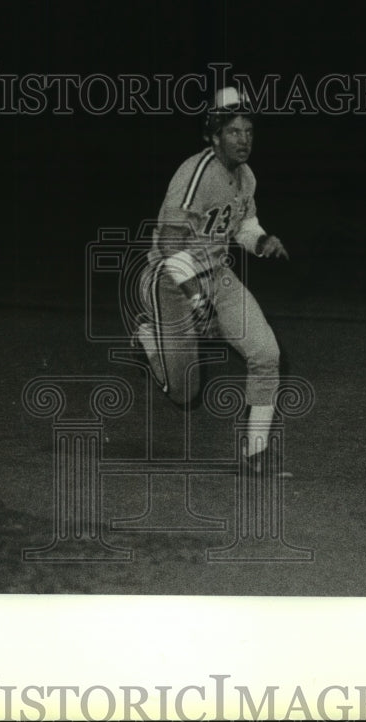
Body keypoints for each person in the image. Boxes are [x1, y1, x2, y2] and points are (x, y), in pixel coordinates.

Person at [132, 87, 290, 473]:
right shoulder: (197, 172)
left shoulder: (246, 176)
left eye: (249, 132)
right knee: (186, 395)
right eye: (234, 132)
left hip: (216, 276)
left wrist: (263, 241)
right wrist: (195, 297)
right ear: (215, 135)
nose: (244, 140)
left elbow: (242, 226)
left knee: (267, 354)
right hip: (170, 281)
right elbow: (170, 247)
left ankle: (255, 455)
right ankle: (149, 340)